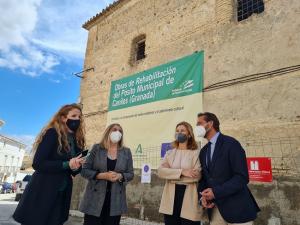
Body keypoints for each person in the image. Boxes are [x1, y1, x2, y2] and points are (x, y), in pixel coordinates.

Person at [13, 103, 86, 225]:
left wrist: (76, 166)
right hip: (42, 192)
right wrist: (67, 164)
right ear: (63, 118)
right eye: (74, 116)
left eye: (79, 117)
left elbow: (74, 169)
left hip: (62, 194)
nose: (77, 119)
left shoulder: (77, 140)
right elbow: (38, 163)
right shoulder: (52, 134)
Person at [196, 112, 260, 225]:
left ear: (210, 124)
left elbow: (242, 177)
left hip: (238, 209)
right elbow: (205, 179)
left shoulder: (231, 144)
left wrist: (215, 192)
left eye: (199, 123)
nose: (197, 127)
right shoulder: (203, 151)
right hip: (215, 209)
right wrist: (203, 198)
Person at [79, 123, 134, 225]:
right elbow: (84, 170)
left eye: (120, 131)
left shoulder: (126, 152)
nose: (117, 132)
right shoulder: (96, 148)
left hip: (115, 199)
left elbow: (131, 174)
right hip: (95, 198)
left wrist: (120, 176)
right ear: (108, 132)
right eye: (114, 130)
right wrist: (102, 176)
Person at [158, 121, 204, 225]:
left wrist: (171, 175)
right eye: (177, 131)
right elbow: (160, 172)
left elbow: (196, 176)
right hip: (170, 197)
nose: (179, 133)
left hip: (189, 196)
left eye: (182, 130)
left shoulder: (196, 153)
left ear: (189, 134)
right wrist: (182, 172)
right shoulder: (169, 153)